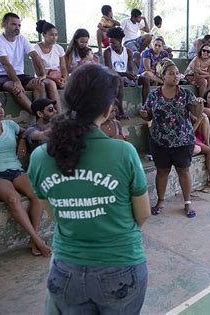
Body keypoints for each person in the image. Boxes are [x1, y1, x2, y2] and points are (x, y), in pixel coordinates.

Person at [28, 64, 150, 313]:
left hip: (65, 272)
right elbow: (143, 214)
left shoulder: (41, 157)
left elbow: (54, 216)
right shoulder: (124, 152)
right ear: (107, 110)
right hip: (121, 268)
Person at [139, 59, 204, 218]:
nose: (176, 76)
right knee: (162, 172)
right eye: (171, 73)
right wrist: (144, 115)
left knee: (184, 171)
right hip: (159, 141)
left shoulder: (186, 94)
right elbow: (148, 114)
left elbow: (198, 114)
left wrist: (199, 104)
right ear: (163, 76)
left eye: (177, 73)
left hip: (182, 140)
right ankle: (160, 201)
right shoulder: (154, 95)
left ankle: (187, 203)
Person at [0, 95, 51, 257]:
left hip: (16, 170)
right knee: (13, 198)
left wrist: (22, 139)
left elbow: (29, 132)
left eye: (1, 106)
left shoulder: (10, 125)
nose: (1, 110)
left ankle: (33, 238)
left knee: (38, 193)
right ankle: (37, 240)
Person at [0, 13, 54, 114]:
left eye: (19, 25)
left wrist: (43, 74)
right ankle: (38, 115)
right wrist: (17, 81)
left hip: (20, 75)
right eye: (13, 24)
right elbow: (6, 64)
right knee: (16, 88)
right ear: (4, 25)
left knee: (40, 84)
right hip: (2, 76)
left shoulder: (21, 38)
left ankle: (40, 113)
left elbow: (34, 55)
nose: (17, 27)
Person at [104, 27, 150, 115]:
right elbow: (109, 72)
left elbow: (130, 70)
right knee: (119, 80)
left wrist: (133, 76)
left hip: (125, 77)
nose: (111, 45)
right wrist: (125, 74)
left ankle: (145, 107)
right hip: (113, 78)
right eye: (110, 42)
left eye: (113, 42)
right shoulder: (108, 52)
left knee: (145, 80)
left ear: (120, 40)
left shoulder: (128, 52)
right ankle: (120, 111)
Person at [34, 20, 68, 92]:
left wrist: (64, 79)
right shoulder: (36, 49)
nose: (54, 37)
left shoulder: (59, 48)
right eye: (51, 35)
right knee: (51, 84)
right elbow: (38, 72)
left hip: (58, 76)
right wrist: (55, 80)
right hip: (43, 77)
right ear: (44, 34)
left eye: (56, 35)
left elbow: (63, 67)